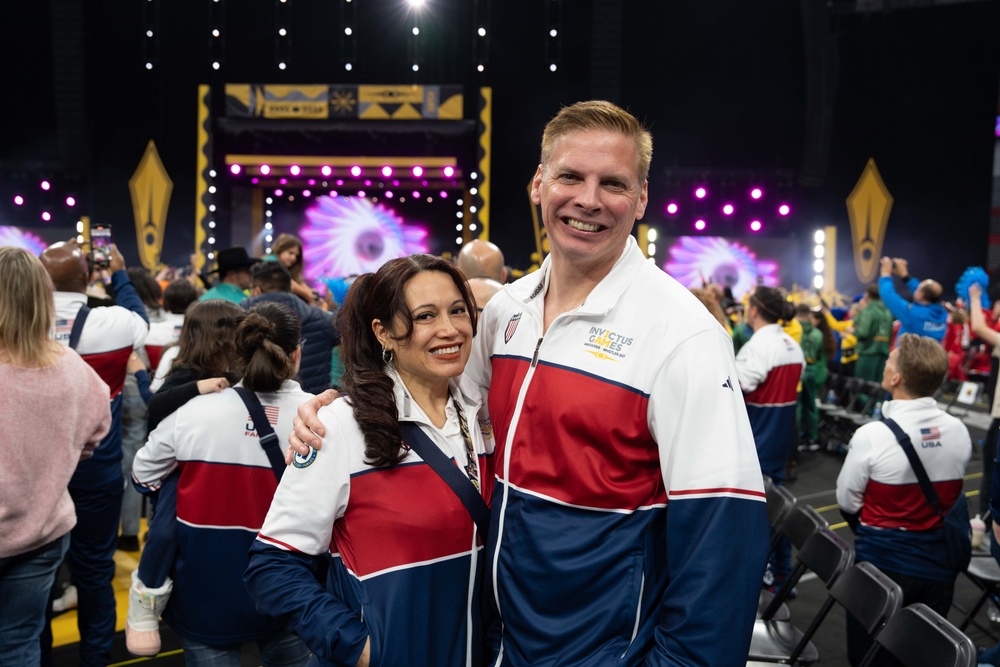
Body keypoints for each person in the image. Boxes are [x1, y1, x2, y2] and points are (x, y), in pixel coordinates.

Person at [290, 100, 769, 665]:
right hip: (498, 639)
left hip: (603, 652)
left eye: (612, 183)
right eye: (570, 176)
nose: (588, 200)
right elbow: (435, 403)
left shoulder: (683, 335)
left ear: (641, 198)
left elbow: (725, 535)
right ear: (539, 184)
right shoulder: (506, 310)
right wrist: (336, 407)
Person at [245, 254, 492, 666]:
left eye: (458, 311)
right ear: (383, 332)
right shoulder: (340, 427)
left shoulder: (484, 412)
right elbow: (271, 567)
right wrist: (361, 647)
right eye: (425, 316)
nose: (450, 329)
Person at [131, 302, 311, 665]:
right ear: (296, 354)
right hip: (293, 590)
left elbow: (142, 475)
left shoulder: (192, 413)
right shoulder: (322, 417)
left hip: (205, 589)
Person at [39, 238, 149, 667]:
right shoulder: (113, 324)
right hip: (96, 470)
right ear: (88, 277)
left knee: (37, 574)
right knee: (95, 574)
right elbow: (139, 320)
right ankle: (96, 659)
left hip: (38, 472)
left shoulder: (19, 323)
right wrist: (118, 273)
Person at [0, 248, 111, 666]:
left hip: (36, 532)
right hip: (41, 530)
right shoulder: (75, 370)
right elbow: (94, 437)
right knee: (17, 644)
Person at [836, 333, 970, 665]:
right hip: (939, 567)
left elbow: (847, 501)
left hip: (881, 571)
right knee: (921, 657)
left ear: (896, 378)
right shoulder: (959, 431)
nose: (885, 362)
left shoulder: (872, 436)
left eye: (890, 360)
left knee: (869, 657)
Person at [124, 298, 244, 655]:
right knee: (164, 542)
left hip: (213, 484)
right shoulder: (186, 375)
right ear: (220, 337)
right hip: (173, 486)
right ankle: (146, 605)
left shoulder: (234, 375)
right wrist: (199, 389)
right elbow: (156, 406)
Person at [735, 286, 805, 586]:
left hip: (757, 440)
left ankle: (766, 578)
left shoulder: (758, 346)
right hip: (779, 440)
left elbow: (733, 386)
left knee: (758, 517)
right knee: (779, 510)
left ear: (753, 310)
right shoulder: (792, 345)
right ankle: (782, 577)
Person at [244, 260, 341, 394]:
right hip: (313, 406)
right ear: (291, 287)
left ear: (256, 290)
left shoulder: (238, 318)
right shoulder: (323, 319)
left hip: (249, 405)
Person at [878, 256, 948, 343]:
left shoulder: (913, 315)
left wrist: (885, 274)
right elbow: (923, 290)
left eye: (918, 288)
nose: (916, 288)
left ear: (921, 295)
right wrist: (905, 276)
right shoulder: (941, 312)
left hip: (910, 356)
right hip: (932, 355)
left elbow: (888, 295)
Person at [855, 283, 894, 382]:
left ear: (868, 295)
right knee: (878, 387)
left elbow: (863, 333)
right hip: (883, 352)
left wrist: (853, 332)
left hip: (868, 353)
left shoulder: (868, 311)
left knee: (864, 388)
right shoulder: (888, 311)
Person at [266, 233, 316, 305]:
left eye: (296, 256)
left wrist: (311, 293)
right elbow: (286, 281)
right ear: (280, 249)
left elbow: (299, 283)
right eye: (290, 253)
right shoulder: (270, 260)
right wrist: (306, 293)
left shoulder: (288, 268)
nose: (294, 258)